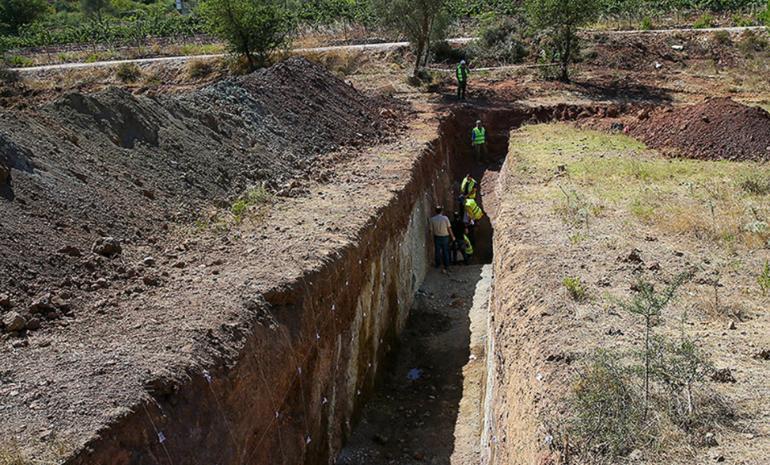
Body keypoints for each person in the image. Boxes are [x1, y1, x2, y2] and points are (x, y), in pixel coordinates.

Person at [430, 206, 455, 274]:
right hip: (445, 237)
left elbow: (431, 230)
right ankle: (446, 265)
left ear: (435, 211)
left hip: (437, 237)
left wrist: (432, 239)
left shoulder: (432, 219)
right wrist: (452, 236)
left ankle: (438, 264)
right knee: (445, 251)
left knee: (437, 251)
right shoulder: (445, 218)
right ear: (441, 211)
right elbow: (449, 228)